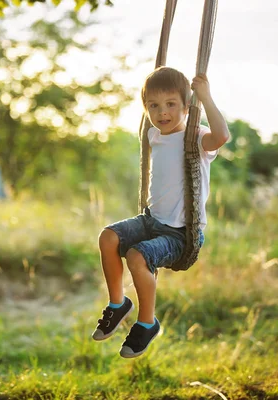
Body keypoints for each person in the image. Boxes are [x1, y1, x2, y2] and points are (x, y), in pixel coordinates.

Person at [91, 67, 230, 358]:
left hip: (180, 233)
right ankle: (118, 304)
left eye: (170, 104)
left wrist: (204, 96)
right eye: (153, 105)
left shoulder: (196, 137)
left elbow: (222, 136)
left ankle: (147, 322)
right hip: (151, 220)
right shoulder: (154, 134)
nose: (162, 112)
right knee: (107, 238)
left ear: (186, 106)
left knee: (137, 256)